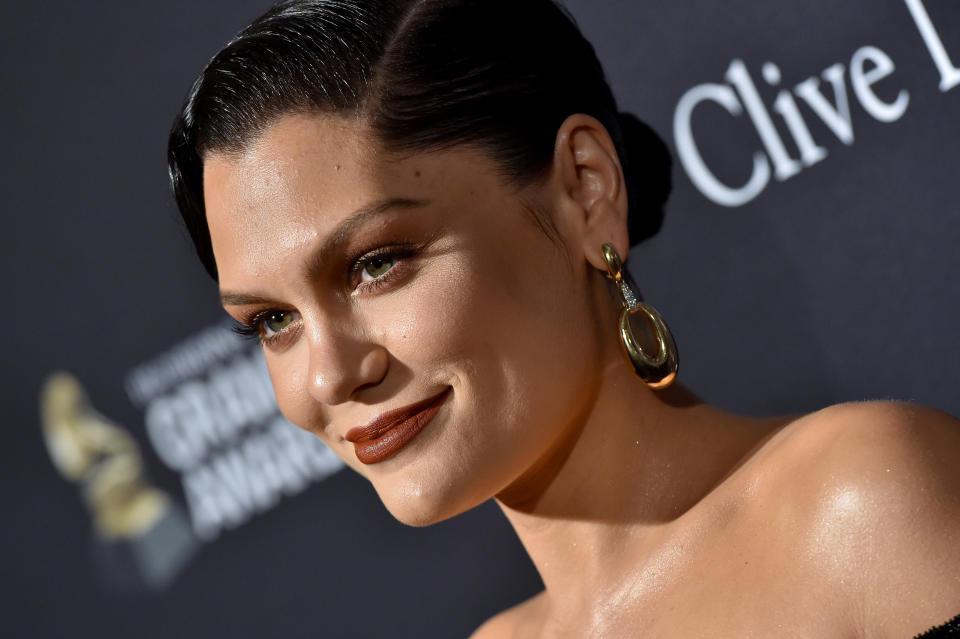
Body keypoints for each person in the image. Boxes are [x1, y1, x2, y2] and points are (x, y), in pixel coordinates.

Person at [167, 0, 960, 635]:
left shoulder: (865, 506)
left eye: (377, 263)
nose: (329, 373)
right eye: (273, 321)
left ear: (584, 188)